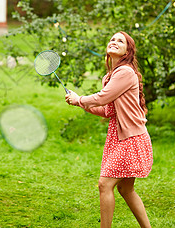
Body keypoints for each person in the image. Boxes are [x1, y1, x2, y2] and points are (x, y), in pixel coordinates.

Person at [65, 31, 153, 228]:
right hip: (124, 136)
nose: (114, 42)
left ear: (127, 52)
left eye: (120, 41)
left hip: (131, 138)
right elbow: (107, 110)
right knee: (126, 189)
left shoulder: (125, 72)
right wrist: (79, 103)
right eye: (112, 39)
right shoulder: (112, 76)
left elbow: (102, 97)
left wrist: (80, 99)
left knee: (105, 185)